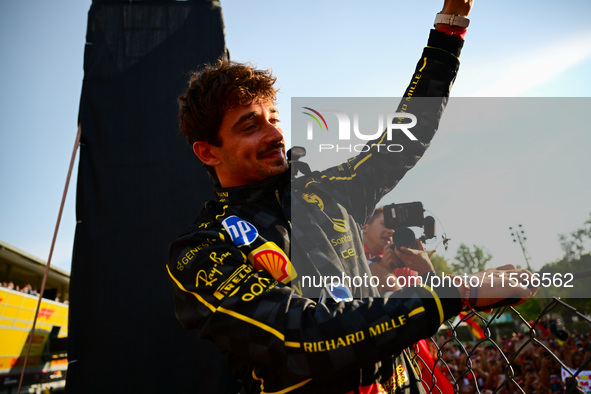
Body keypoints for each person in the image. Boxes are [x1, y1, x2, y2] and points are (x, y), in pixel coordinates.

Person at [166, 1, 537, 393]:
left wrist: (449, 28)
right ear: (208, 152)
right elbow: (299, 338)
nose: (275, 134)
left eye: (274, 118)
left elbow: (406, 136)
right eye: (250, 125)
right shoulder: (201, 249)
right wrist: (458, 292)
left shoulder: (328, 190)